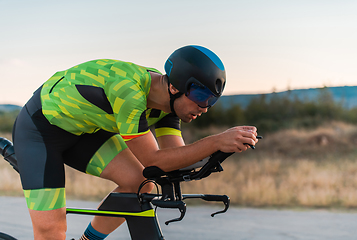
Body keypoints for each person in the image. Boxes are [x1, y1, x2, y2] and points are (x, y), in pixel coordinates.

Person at [12, 45, 258, 240]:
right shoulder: (129, 92)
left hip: (85, 131)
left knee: (139, 183)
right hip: (40, 131)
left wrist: (222, 150)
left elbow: (174, 158)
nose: (204, 108)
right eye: (201, 97)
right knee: (52, 233)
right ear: (174, 87)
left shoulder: (168, 105)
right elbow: (153, 160)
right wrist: (216, 141)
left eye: (211, 101)